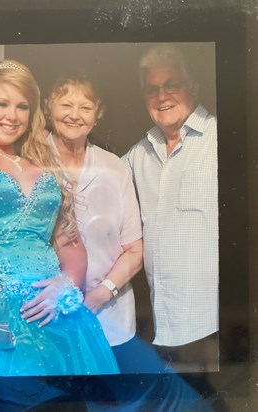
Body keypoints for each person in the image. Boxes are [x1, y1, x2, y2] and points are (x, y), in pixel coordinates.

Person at [0, 59, 119, 409]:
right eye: (1, 103)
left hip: (55, 321)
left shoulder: (43, 167)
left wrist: (65, 283)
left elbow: (71, 244)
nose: (12, 115)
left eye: (22, 106)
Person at [44, 73, 215, 412]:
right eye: (66, 104)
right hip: (46, 321)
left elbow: (134, 249)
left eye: (85, 106)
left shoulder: (115, 166)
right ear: (48, 108)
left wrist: (98, 295)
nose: (75, 114)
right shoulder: (28, 161)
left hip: (110, 318)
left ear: (98, 113)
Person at [123, 44, 219, 373]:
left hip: (211, 326)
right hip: (161, 325)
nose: (161, 96)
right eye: (152, 89)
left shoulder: (221, 140)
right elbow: (96, 188)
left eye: (171, 85)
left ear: (193, 86)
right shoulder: (139, 154)